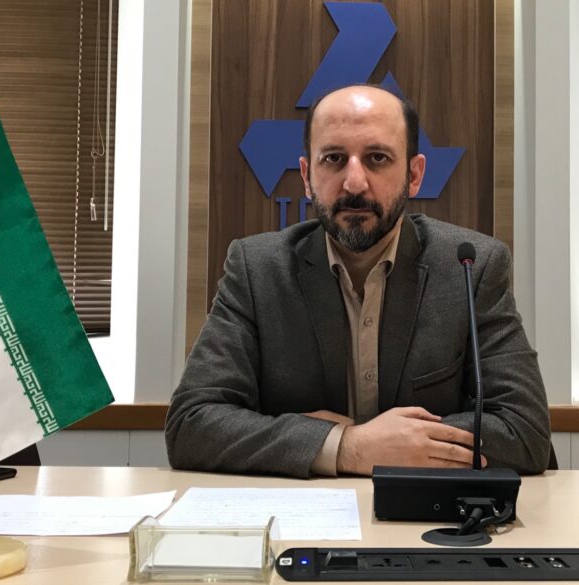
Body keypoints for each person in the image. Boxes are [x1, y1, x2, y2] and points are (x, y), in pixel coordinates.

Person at [165, 84, 551, 477]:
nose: (354, 183)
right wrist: (348, 446)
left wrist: (377, 443)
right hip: (302, 511)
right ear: (307, 176)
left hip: (423, 511)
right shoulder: (257, 269)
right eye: (333, 158)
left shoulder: (470, 266)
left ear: (414, 175)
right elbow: (191, 425)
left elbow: (526, 432)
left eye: (377, 158)